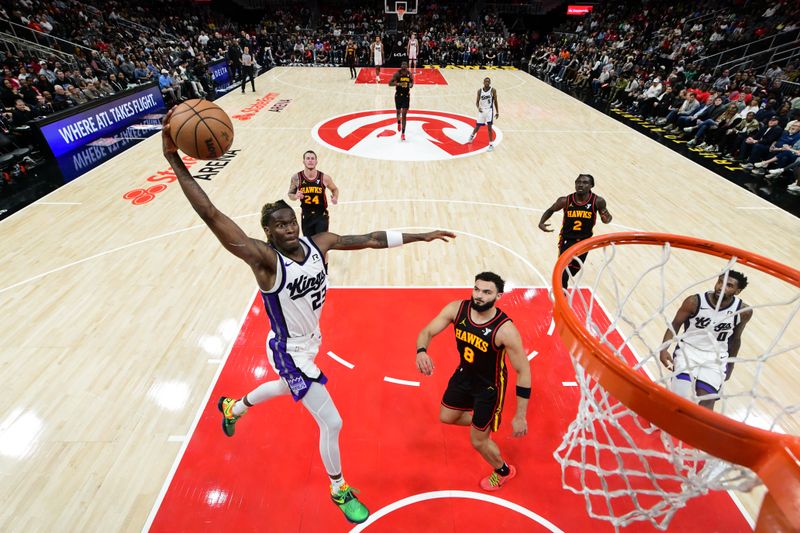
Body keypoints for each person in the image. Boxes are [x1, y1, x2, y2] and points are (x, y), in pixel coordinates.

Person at [161, 109, 455, 524]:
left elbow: (371, 239)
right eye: (278, 226)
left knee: (286, 389)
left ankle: (235, 407)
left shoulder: (320, 242)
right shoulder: (265, 261)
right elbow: (211, 214)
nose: (287, 228)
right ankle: (338, 486)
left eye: (290, 221)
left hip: (310, 342)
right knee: (332, 421)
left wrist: (419, 234)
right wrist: (175, 160)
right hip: (288, 349)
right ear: (267, 233)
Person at [415, 272, 530, 491]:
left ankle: (503, 470)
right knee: (446, 416)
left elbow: (524, 371)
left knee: (478, 441)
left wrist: (520, 415)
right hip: (464, 375)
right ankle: (483, 423)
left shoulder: (505, 330)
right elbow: (427, 331)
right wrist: (421, 351)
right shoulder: (457, 309)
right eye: (477, 289)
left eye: (487, 292)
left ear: (498, 295)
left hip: (489, 388)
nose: (479, 296)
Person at [658, 271, 752, 410]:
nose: (721, 287)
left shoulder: (743, 311)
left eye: (729, 285)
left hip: (716, 357)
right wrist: (664, 348)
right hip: (688, 350)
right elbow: (675, 324)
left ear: (737, 291)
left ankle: (694, 431)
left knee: (708, 400)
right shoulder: (694, 302)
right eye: (720, 282)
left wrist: (731, 365)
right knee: (680, 395)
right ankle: (667, 422)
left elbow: (736, 339)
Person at [538, 174, 612, 289]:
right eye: (578, 182)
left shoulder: (598, 201)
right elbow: (551, 210)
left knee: (573, 270)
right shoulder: (565, 200)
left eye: (585, 182)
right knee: (563, 269)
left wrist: (606, 217)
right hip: (567, 239)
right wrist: (541, 222)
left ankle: (563, 285)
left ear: (591, 185)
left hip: (585, 241)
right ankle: (562, 294)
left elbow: (607, 220)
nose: (580, 184)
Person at [287, 150, 339, 237]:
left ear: (316, 161)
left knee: (322, 244)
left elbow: (335, 189)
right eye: (308, 158)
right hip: (306, 216)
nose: (310, 160)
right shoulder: (296, 178)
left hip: (321, 215)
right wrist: (296, 196)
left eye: (312, 158)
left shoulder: (324, 178)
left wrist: (335, 197)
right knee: (309, 244)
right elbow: (290, 194)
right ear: (304, 161)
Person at [467, 77, 499, 151]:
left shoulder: (493, 90)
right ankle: (471, 136)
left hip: (489, 110)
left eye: (488, 82)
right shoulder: (479, 91)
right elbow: (477, 102)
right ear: (483, 82)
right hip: (482, 111)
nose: (487, 83)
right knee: (477, 126)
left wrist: (497, 112)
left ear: (490, 83)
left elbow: (495, 101)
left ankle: (491, 144)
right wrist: (478, 108)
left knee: (489, 128)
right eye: (485, 81)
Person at [389, 61, 413, 141]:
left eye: (405, 65)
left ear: (407, 66)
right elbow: (389, 83)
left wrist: (410, 85)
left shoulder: (410, 74)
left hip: (406, 96)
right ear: (401, 66)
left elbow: (412, 84)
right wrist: (398, 84)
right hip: (398, 95)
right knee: (398, 111)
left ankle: (403, 133)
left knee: (404, 114)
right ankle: (398, 122)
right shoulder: (397, 74)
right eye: (402, 65)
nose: (404, 66)